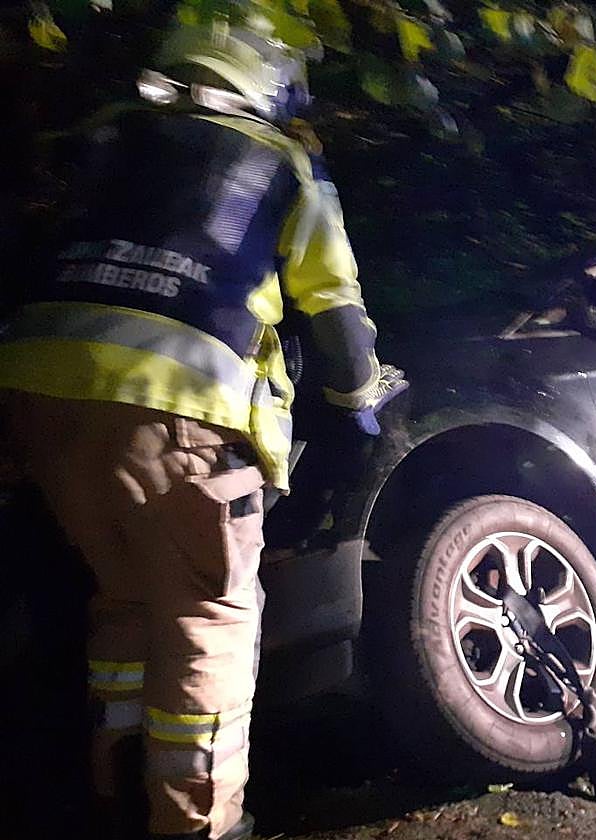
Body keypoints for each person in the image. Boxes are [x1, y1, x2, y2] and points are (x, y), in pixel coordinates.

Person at [0, 16, 403, 840]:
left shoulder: (104, 135)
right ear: (272, 74)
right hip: (179, 415)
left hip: (36, 398)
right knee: (208, 617)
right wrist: (360, 408)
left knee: (125, 594)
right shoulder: (284, 163)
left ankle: (112, 788)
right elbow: (336, 316)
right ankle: (198, 826)